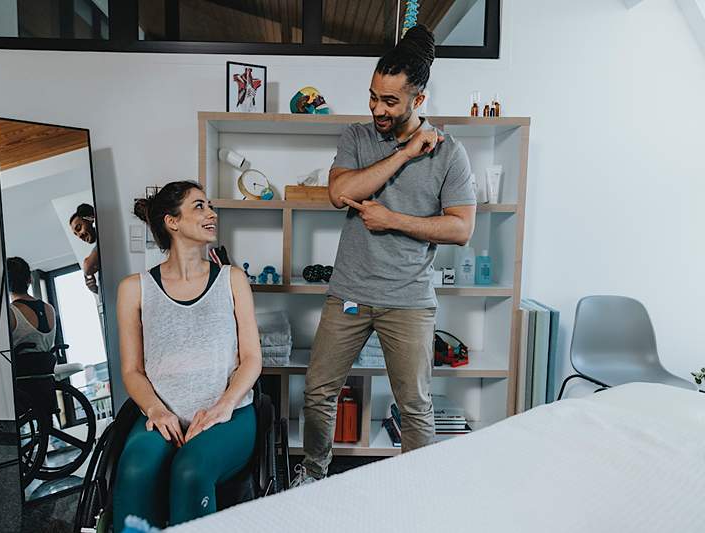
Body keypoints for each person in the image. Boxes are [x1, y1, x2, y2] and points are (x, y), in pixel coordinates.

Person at [292, 25, 477, 486]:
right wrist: (404, 152)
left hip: (409, 300)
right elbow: (340, 192)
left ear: (419, 101)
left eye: (390, 101)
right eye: (374, 96)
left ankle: (417, 490)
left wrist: (393, 220)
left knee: (414, 405)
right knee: (318, 392)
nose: (377, 108)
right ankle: (312, 475)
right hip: (349, 294)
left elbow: (461, 228)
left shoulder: (452, 155)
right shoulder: (357, 136)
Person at [113, 181, 262, 530]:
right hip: (161, 415)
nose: (211, 213)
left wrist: (223, 406)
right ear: (172, 221)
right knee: (135, 468)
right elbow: (132, 370)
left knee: (190, 470)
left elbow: (252, 358)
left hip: (229, 415)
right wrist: (155, 409)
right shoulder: (134, 289)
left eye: (210, 205)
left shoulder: (232, 279)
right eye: (199, 206)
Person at [6, 256, 56, 352]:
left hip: (21, 367)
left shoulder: (10, 313)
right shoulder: (49, 309)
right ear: (30, 279)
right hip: (47, 366)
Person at [69, 203, 100, 294]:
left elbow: (87, 266)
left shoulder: (105, 234)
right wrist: (96, 289)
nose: (79, 235)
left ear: (91, 218)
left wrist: (87, 272)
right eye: (76, 234)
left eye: (79, 228)